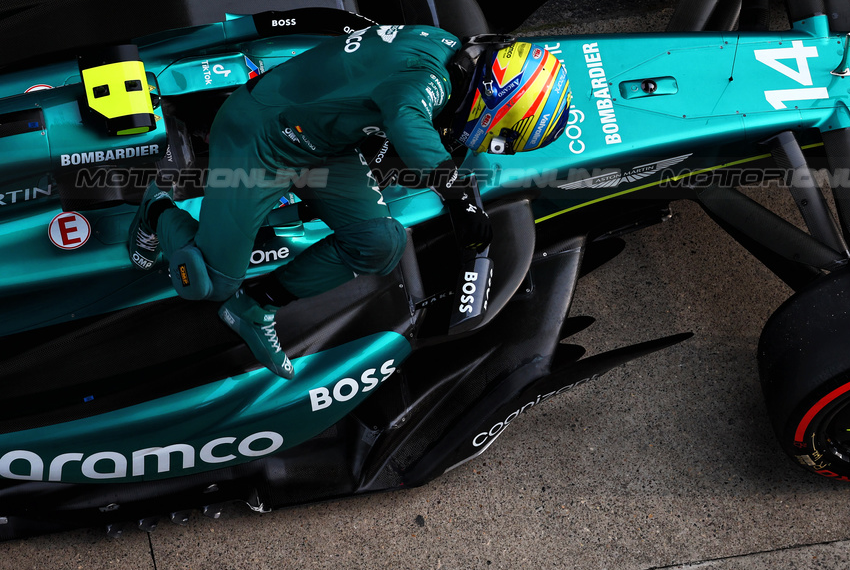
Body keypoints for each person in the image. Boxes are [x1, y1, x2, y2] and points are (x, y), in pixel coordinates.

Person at [127, 25, 571, 379]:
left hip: (322, 143)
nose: (493, 144)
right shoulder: (429, 78)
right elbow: (405, 115)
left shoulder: (446, 49)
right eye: (503, 137)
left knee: (380, 242)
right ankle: (155, 209)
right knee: (208, 282)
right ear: (499, 102)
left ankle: (254, 306)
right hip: (261, 136)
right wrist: (459, 198)